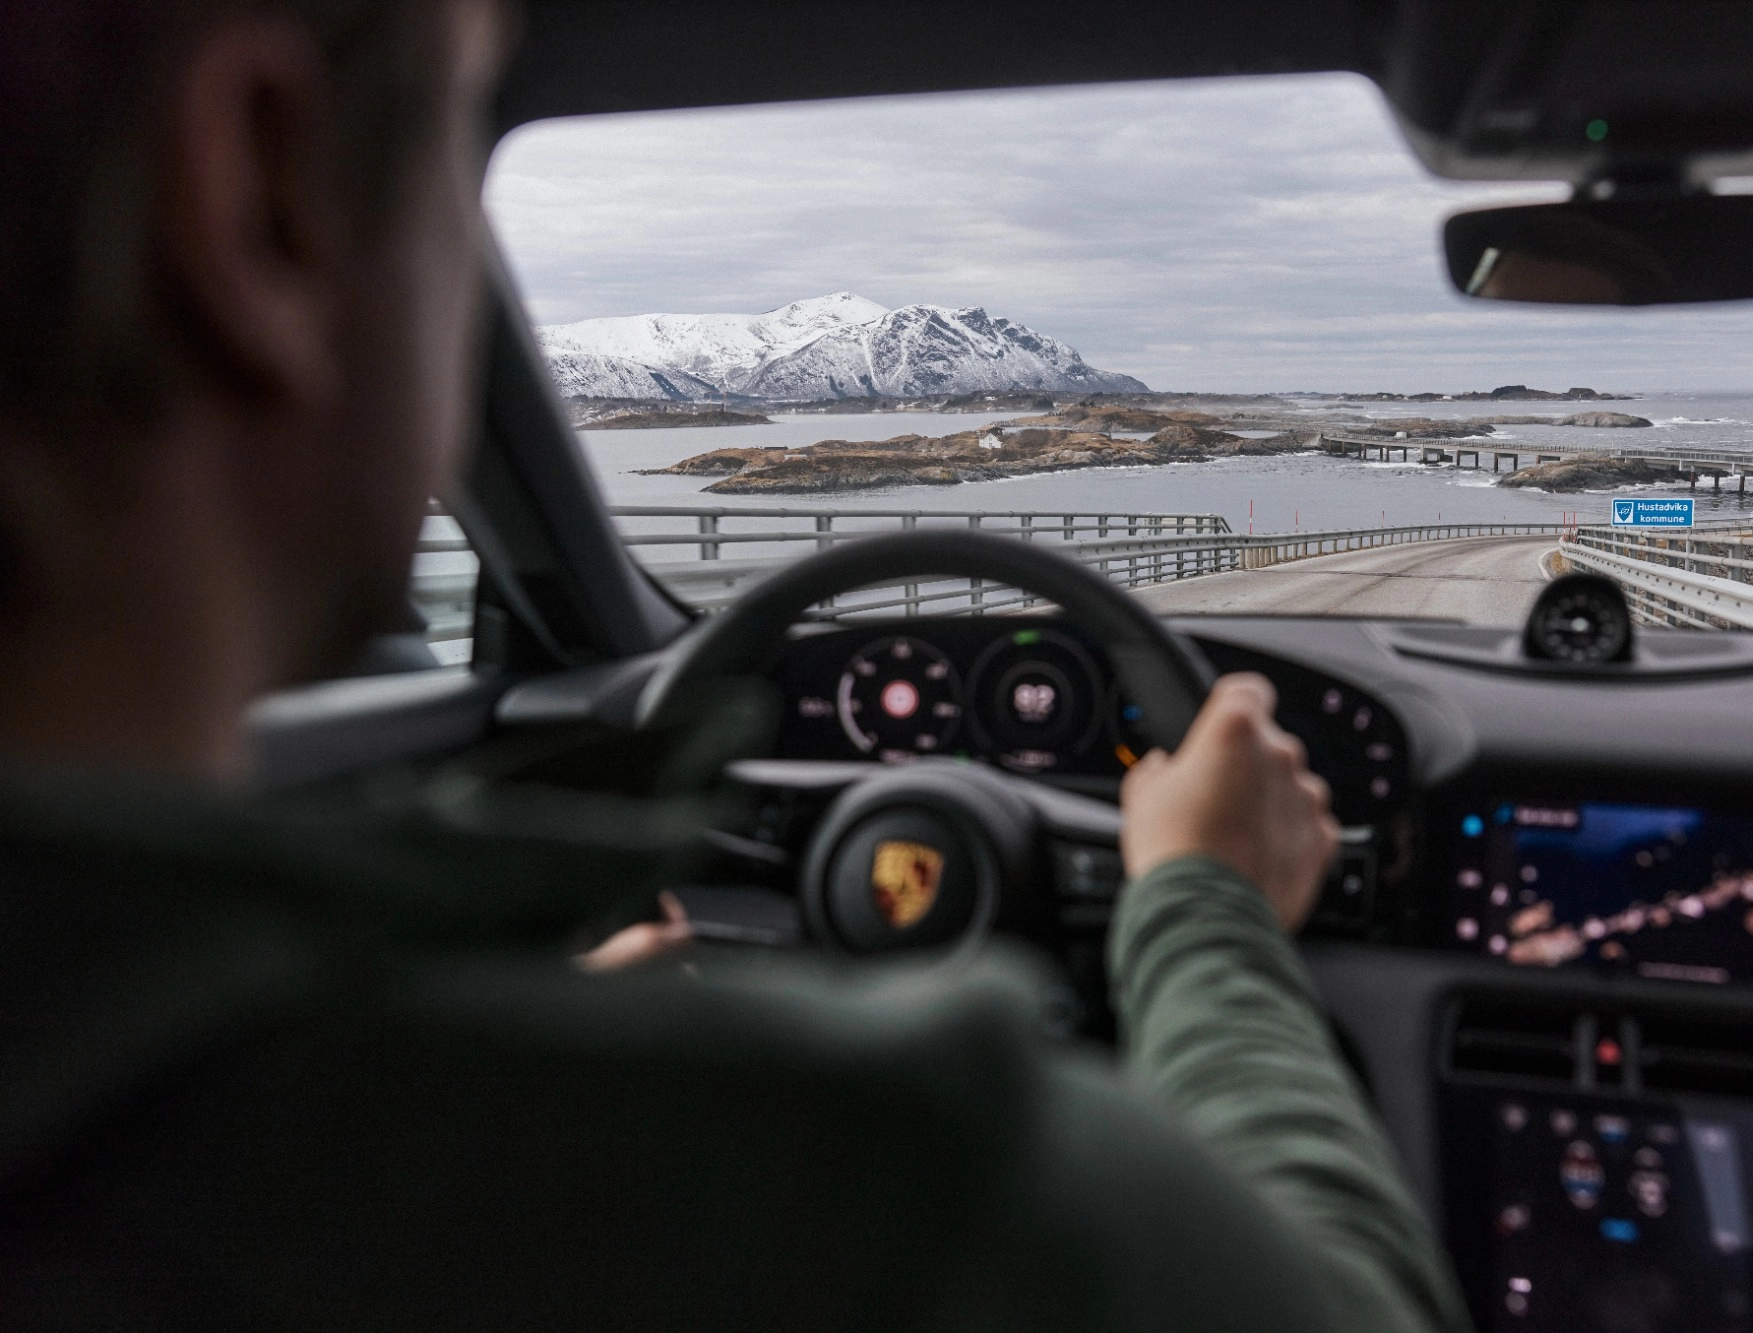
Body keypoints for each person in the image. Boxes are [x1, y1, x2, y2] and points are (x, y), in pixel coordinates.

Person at [0, 2, 1472, 1329]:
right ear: (257, 197)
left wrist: (539, 1029)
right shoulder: (888, 1195)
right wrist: (1204, 909)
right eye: (460, 147)